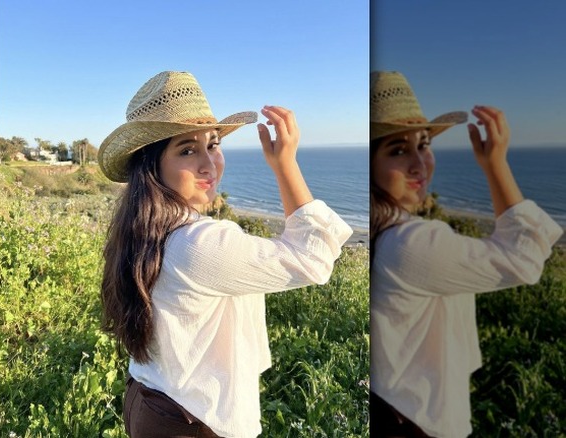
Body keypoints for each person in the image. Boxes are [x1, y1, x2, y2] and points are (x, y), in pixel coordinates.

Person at [97, 70, 353, 438]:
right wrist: (286, 165)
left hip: (151, 399)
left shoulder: (143, 227)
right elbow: (313, 258)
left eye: (213, 145)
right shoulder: (196, 242)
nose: (209, 163)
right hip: (195, 420)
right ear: (152, 165)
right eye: (187, 149)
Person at [369, 71, 563, 438]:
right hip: (421, 424)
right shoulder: (410, 243)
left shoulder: (383, 233)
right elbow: (525, 258)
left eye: (423, 144)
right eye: (397, 149)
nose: (419, 163)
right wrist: (496, 165)